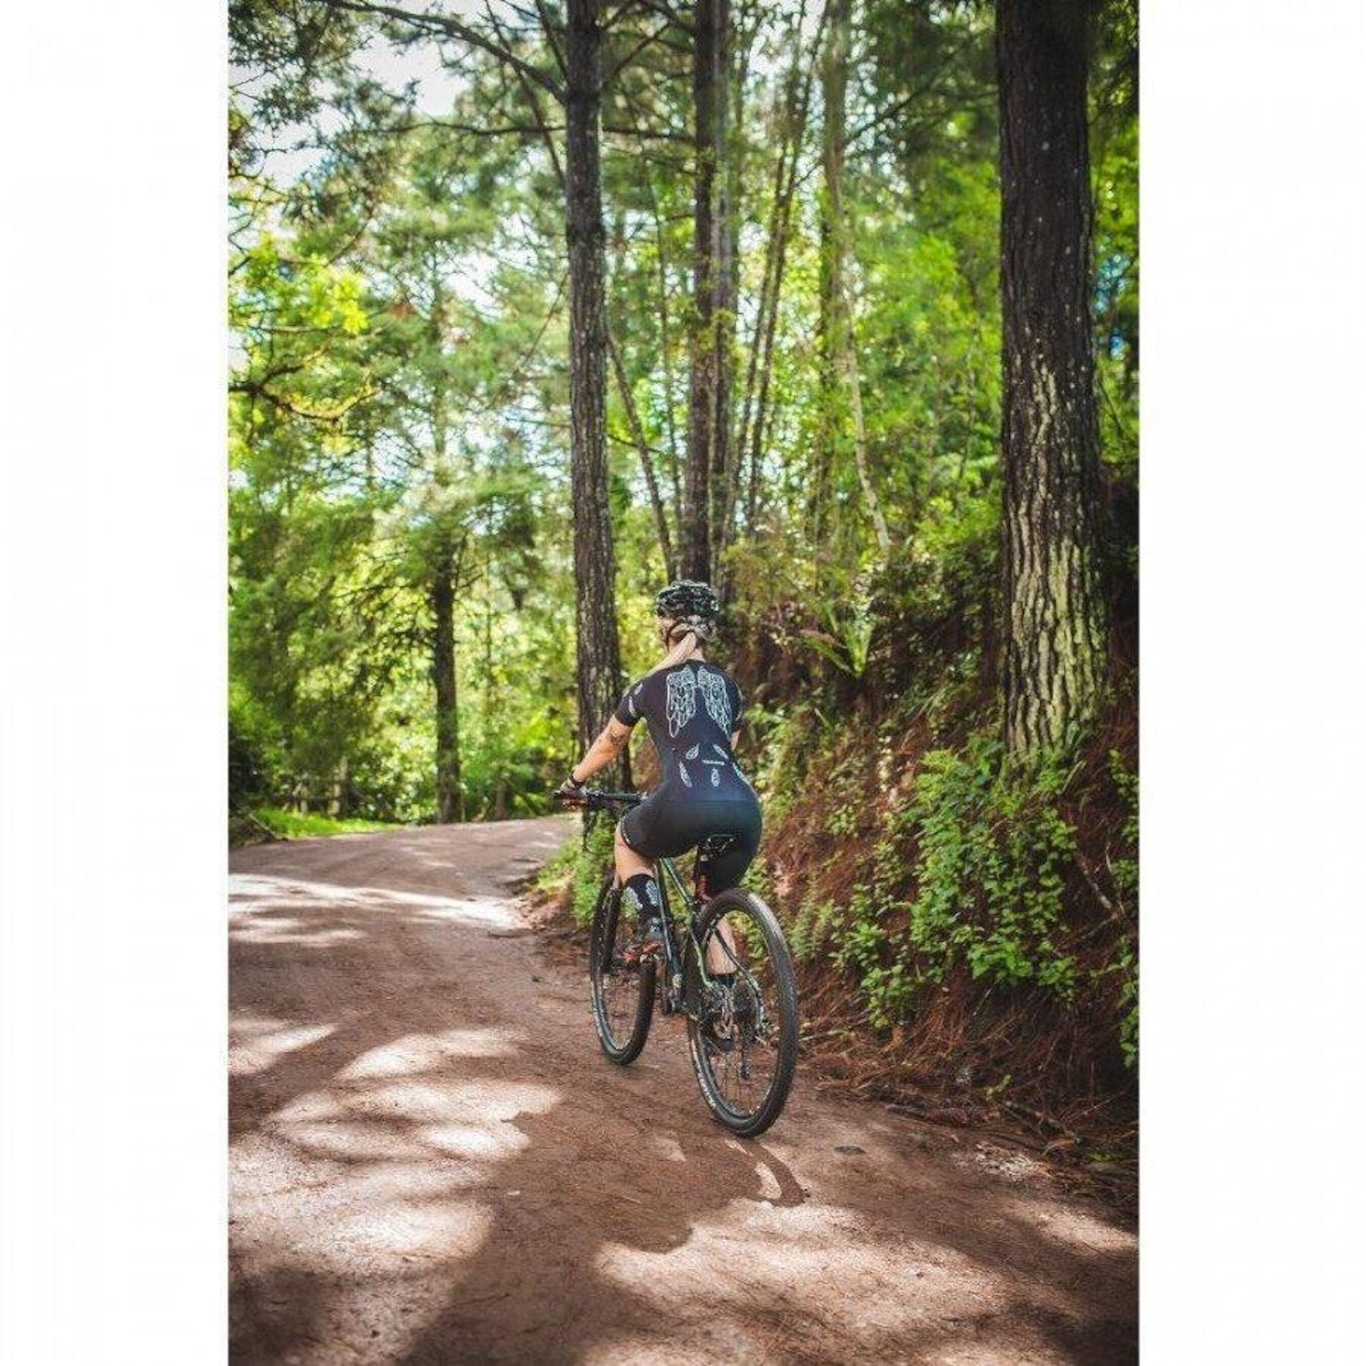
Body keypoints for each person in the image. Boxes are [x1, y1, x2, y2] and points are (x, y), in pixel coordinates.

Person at [557, 580, 762, 956]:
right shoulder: (731, 688)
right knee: (712, 905)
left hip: (686, 800)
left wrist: (574, 782)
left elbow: (609, 744)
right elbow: (727, 752)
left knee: (627, 839)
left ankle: (652, 923)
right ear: (707, 632)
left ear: (665, 627)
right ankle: (732, 1005)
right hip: (745, 808)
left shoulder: (648, 686)